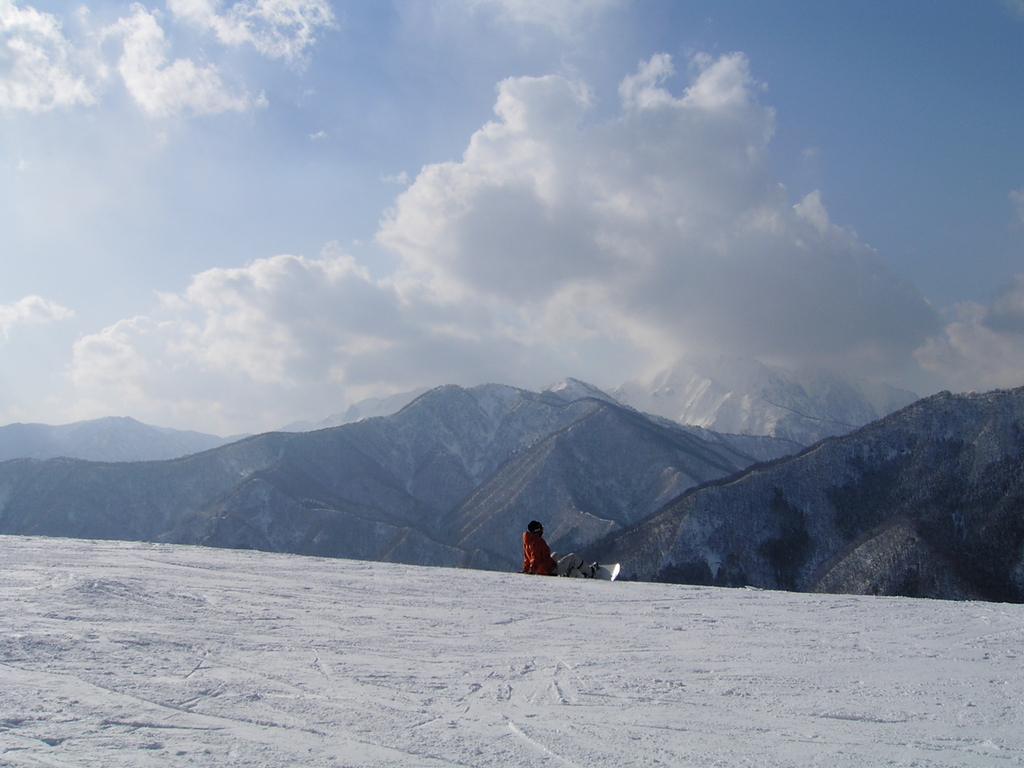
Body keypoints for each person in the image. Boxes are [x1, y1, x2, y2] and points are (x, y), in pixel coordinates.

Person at [521, 521, 597, 577]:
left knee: (556, 554)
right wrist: (532, 570)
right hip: (548, 569)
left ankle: (567, 572)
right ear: (538, 530)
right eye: (541, 529)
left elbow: (527, 558)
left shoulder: (528, 541)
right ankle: (591, 573)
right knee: (573, 557)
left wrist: (526, 570)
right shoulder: (538, 541)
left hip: (542, 568)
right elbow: (535, 557)